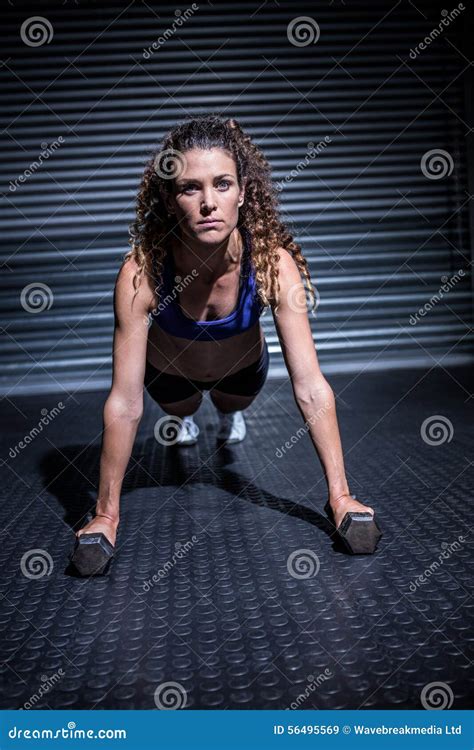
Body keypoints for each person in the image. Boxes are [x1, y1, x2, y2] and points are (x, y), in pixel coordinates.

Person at [73, 114, 379, 566]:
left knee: (231, 406)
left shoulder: (273, 265)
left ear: (243, 191)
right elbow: (124, 400)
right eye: (189, 188)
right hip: (170, 380)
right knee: (183, 411)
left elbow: (311, 384)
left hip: (242, 373)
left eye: (222, 184)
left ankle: (228, 416)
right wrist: (105, 516)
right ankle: (188, 420)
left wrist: (341, 497)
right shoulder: (140, 274)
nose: (208, 203)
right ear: (169, 197)